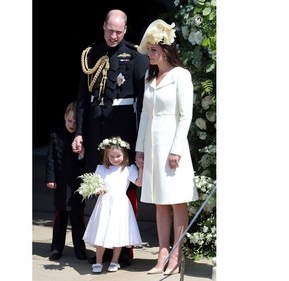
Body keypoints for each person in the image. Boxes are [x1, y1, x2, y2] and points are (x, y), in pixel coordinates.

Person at [72, 9, 149, 267]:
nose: (113, 35)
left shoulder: (136, 56)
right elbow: (83, 98)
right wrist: (80, 131)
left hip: (123, 127)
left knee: (124, 188)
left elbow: (144, 99)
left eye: (118, 31)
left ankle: (125, 248)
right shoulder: (90, 54)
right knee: (98, 185)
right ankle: (102, 246)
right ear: (103, 26)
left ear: (125, 30)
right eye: (109, 30)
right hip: (96, 127)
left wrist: (141, 139)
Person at [135, 19, 199, 275]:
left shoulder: (180, 76)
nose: (149, 54)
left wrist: (176, 149)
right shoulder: (150, 79)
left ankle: (176, 254)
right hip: (153, 146)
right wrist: (140, 149)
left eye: (153, 50)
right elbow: (146, 117)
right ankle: (162, 253)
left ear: (166, 50)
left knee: (176, 202)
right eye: (148, 49)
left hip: (173, 146)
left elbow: (185, 115)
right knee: (160, 202)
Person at [83, 136, 143, 273]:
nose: (116, 159)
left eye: (118, 156)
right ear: (106, 156)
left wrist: (141, 169)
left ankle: (114, 260)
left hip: (120, 205)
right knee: (101, 232)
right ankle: (98, 261)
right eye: (112, 156)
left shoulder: (128, 170)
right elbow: (96, 184)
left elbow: (139, 183)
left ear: (124, 155)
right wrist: (98, 189)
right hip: (104, 204)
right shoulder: (101, 169)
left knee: (118, 232)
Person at [45, 101, 87, 261]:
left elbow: (84, 162)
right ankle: (56, 248)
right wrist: (50, 178)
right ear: (64, 117)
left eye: (75, 122)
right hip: (61, 184)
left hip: (76, 185)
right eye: (69, 121)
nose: (72, 124)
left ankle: (80, 249)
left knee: (77, 220)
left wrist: (82, 153)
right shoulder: (56, 136)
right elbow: (51, 160)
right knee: (60, 219)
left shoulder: (81, 139)